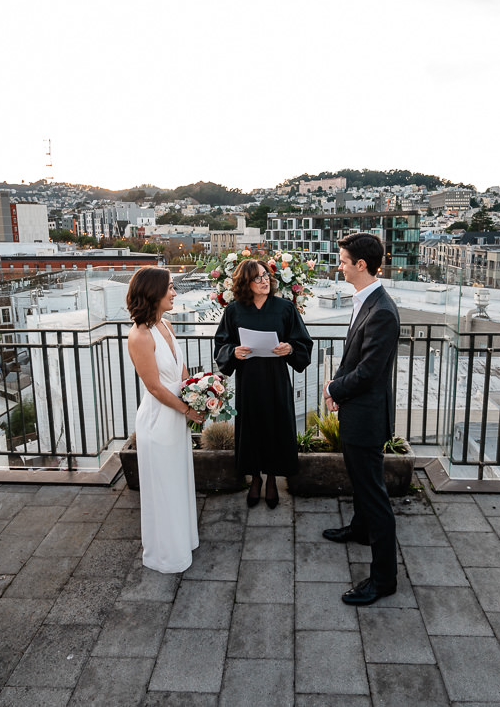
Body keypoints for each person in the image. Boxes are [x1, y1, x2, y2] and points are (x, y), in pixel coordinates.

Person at [322, 233, 401, 606]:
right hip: (356, 408)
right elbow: (351, 358)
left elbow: (369, 372)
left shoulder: (382, 310)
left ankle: (384, 580)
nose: (339, 266)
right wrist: (338, 389)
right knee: (361, 481)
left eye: (343, 260)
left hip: (367, 418)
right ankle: (359, 529)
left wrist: (334, 389)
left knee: (374, 495)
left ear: (361, 265)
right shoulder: (365, 301)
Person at [214, 258, 313, 509]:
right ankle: (255, 478)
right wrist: (233, 352)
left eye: (266, 276)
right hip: (248, 381)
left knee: (276, 428)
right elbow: (222, 344)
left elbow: (303, 343)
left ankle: (271, 480)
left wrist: (290, 348)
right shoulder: (234, 311)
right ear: (246, 282)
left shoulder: (285, 308)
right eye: (257, 277)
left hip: (276, 379)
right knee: (252, 429)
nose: (264, 281)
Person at [126, 267, 203, 573]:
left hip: (177, 415)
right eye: (170, 287)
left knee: (178, 482)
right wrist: (188, 410)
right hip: (158, 420)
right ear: (153, 292)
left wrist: (198, 394)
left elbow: (181, 370)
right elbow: (155, 388)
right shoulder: (139, 336)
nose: (174, 292)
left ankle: (183, 540)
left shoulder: (166, 324)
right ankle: (167, 554)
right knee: (163, 488)